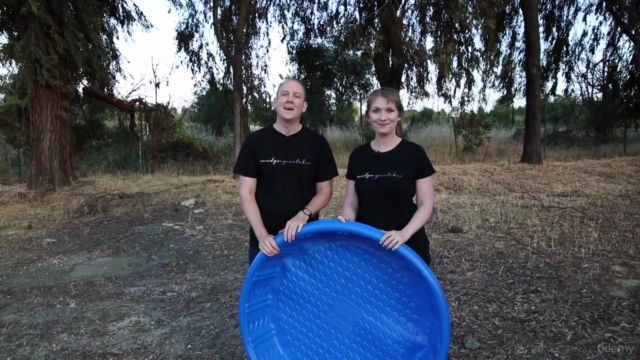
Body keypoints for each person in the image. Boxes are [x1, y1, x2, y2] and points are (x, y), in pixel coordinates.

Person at [233, 78, 339, 266]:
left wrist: (304, 214)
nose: (290, 99)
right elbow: (246, 192)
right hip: (265, 243)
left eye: (296, 96)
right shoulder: (254, 142)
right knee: (264, 295)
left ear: (304, 106)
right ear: (275, 102)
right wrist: (262, 236)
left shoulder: (317, 144)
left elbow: (325, 190)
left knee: (305, 295)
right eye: (284, 94)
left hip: (306, 239)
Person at [337, 87, 436, 266]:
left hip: (407, 245)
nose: (383, 117)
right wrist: (347, 221)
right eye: (376, 111)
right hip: (367, 244)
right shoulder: (358, 156)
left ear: (398, 116)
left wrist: (404, 234)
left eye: (389, 110)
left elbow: (426, 204)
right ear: (368, 117)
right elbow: (351, 203)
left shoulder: (414, 153)